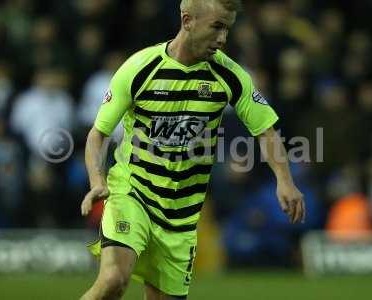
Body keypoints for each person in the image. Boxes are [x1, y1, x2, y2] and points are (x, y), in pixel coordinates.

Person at [80, 0, 305, 299]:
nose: (223, 38)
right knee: (113, 280)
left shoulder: (230, 76)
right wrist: (97, 180)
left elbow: (265, 129)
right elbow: (98, 134)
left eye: (227, 29)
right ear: (187, 20)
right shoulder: (140, 67)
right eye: (216, 27)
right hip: (133, 194)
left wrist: (285, 181)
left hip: (182, 217)